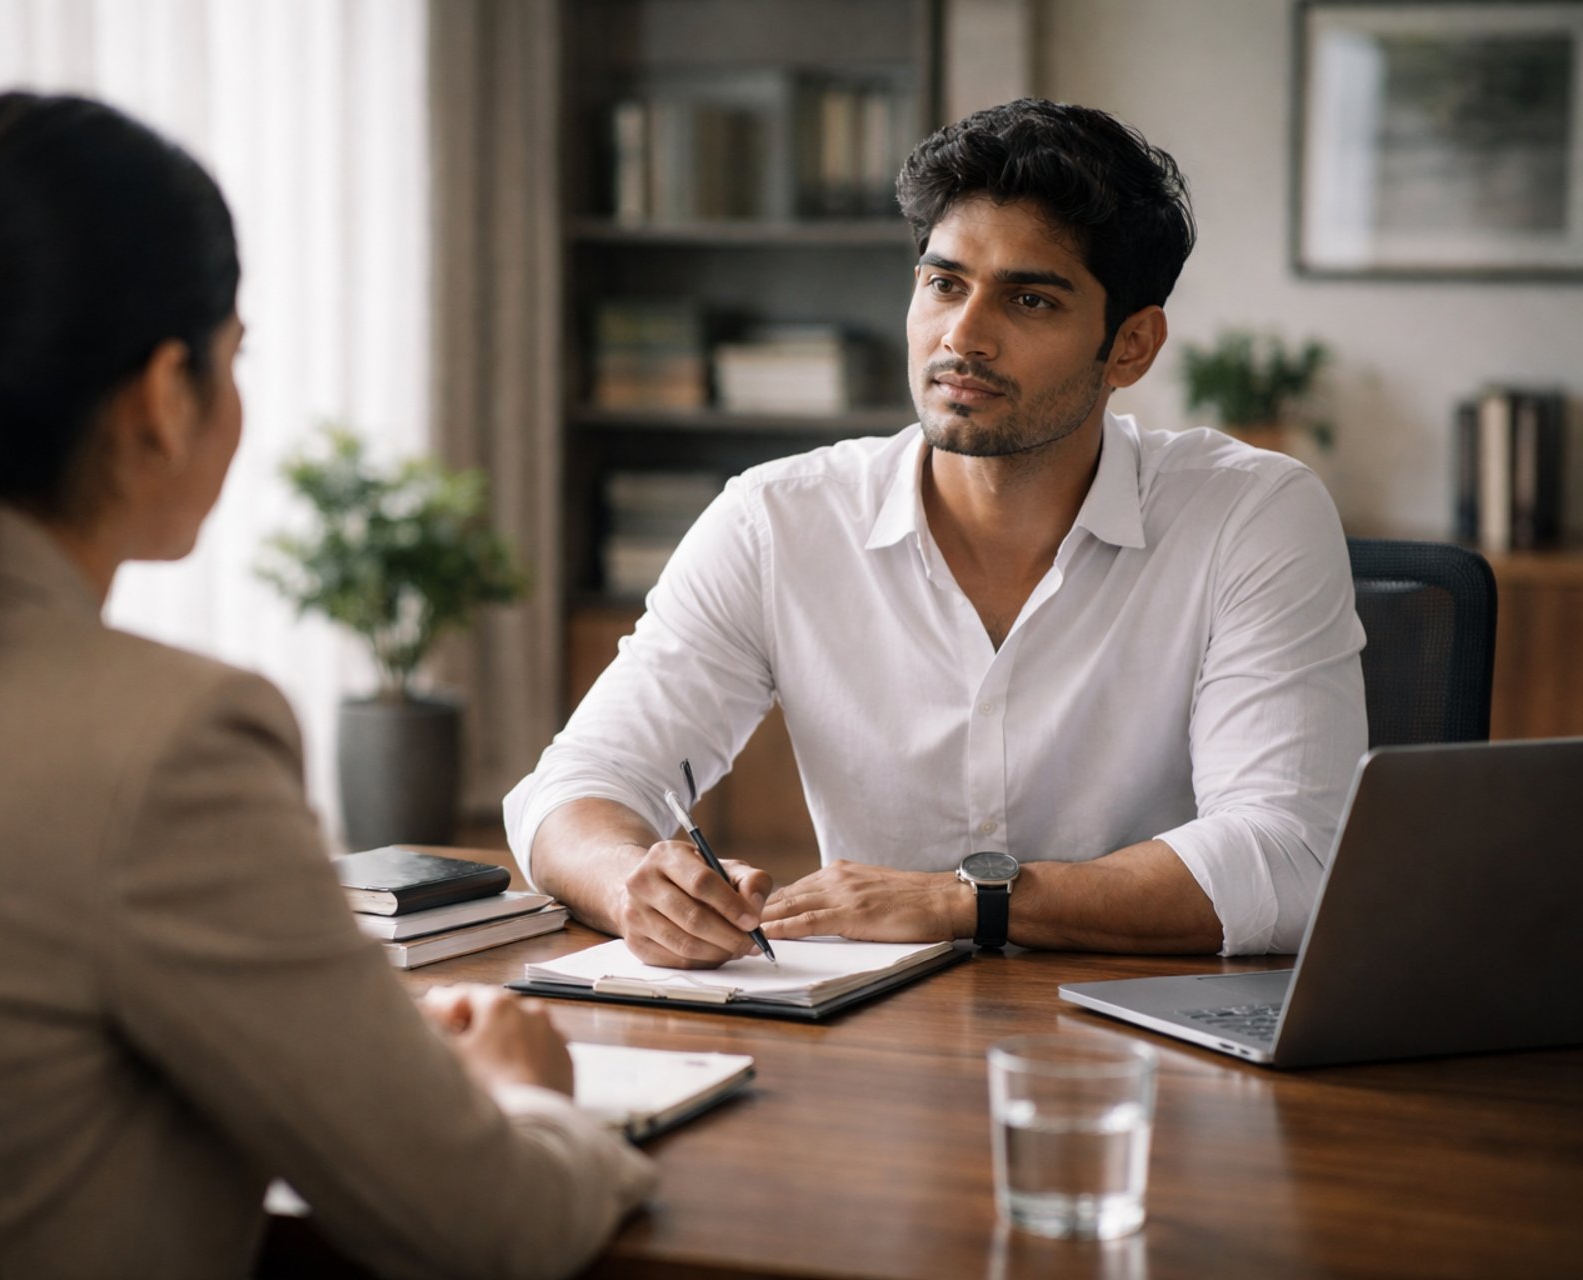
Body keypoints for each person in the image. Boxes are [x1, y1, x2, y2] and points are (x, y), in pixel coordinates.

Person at [0, 93, 650, 1280]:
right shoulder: (171, 743)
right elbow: (494, 1226)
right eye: (234, 362)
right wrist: (529, 1096)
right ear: (161, 396)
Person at [506, 99, 1366, 966]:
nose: (963, 336)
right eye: (944, 283)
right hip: (875, 1035)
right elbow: (575, 787)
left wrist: (965, 903)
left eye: (1029, 299)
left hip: (1145, 1040)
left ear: (1132, 347)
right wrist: (634, 886)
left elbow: (1291, 858)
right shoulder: (777, 520)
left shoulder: (1250, 515)